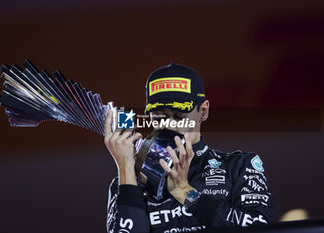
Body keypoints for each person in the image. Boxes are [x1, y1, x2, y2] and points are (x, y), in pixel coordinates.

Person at [104, 63, 278, 233]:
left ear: (203, 111)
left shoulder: (238, 166)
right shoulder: (128, 182)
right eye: (159, 118)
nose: (169, 125)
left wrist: (185, 192)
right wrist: (126, 169)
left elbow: (261, 226)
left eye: (179, 117)